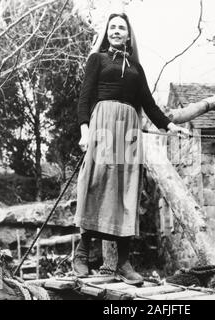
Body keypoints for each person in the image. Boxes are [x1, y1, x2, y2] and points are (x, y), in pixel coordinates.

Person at [73, 12, 190, 285]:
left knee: (126, 189)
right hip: (102, 126)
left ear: (128, 35)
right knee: (95, 183)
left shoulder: (136, 68)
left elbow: (149, 105)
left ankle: (124, 262)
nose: (116, 31)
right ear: (107, 32)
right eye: (112, 27)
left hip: (128, 131)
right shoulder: (97, 59)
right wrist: (84, 131)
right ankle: (82, 253)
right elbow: (84, 98)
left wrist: (171, 127)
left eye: (121, 28)